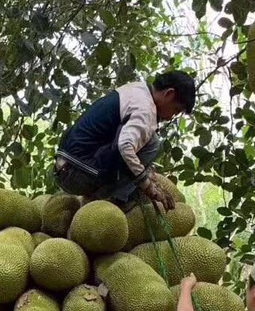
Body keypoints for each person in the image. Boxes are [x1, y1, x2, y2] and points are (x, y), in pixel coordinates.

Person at [53, 71, 197, 212]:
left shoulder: (137, 89)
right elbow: (125, 145)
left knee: (144, 141)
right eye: (176, 110)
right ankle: (114, 199)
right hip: (79, 174)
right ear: (169, 94)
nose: (172, 116)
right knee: (153, 143)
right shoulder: (146, 110)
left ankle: (103, 197)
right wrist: (147, 185)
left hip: (65, 168)